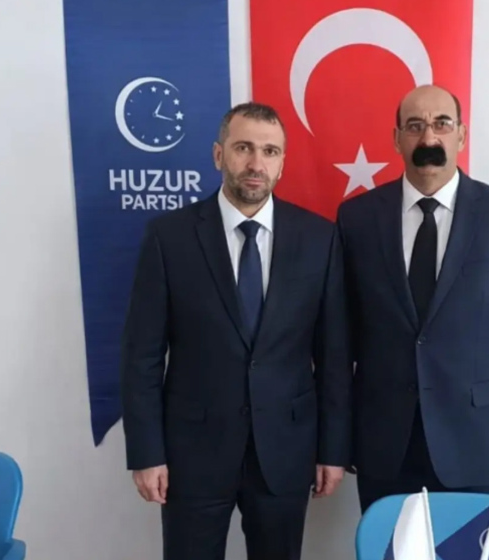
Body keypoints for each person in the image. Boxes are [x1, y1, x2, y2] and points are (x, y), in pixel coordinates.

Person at [120, 102, 352, 560]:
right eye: (244, 148)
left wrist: (333, 449)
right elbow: (141, 356)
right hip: (193, 454)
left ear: (282, 163)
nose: (256, 163)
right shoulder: (169, 238)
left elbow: (334, 357)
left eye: (270, 151)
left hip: (284, 452)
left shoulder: (319, 239)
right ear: (218, 154)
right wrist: (146, 453)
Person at [335, 85, 489, 513]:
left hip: (477, 443)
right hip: (383, 444)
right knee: (389, 547)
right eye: (415, 126)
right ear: (396, 138)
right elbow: (339, 341)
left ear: (462, 135)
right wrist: (337, 438)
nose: (429, 138)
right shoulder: (357, 218)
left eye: (441, 124)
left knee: (467, 546)